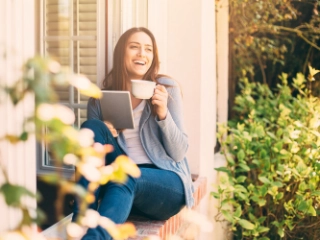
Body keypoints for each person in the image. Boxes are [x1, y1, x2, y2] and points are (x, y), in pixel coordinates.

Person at [73, 27, 194, 240]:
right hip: (124, 177)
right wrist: (106, 136)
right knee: (92, 127)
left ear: (153, 57)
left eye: (148, 49)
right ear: (122, 53)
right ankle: (82, 219)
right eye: (134, 47)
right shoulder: (99, 100)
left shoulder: (167, 89)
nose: (142, 54)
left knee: (126, 174)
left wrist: (163, 114)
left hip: (166, 182)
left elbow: (179, 153)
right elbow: (92, 159)